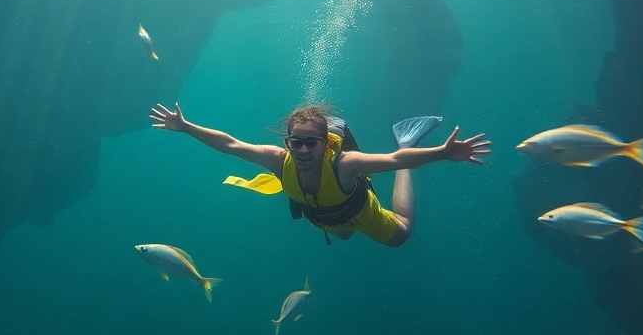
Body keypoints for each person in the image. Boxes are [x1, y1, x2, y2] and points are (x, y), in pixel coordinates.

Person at [149, 102, 489, 247]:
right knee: (342, 237)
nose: (303, 150)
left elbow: (397, 159)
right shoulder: (277, 159)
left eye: (312, 143)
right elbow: (230, 144)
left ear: (325, 144)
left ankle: (407, 132)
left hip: (358, 212)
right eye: (297, 143)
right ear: (287, 142)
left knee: (400, 235)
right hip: (326, 219)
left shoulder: (344, 164)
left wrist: (443, 153)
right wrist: (185, 126)